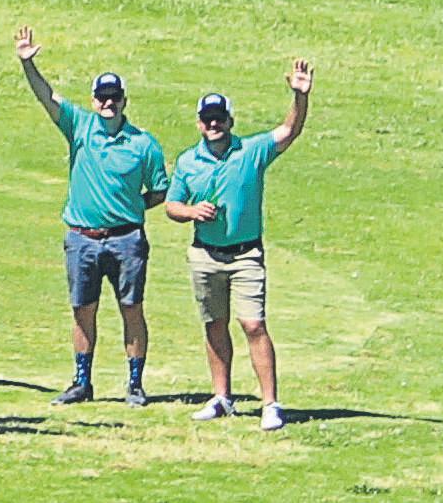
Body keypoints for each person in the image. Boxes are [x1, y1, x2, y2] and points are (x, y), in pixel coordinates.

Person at [16, 27, 170, 407]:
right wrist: (27, 64)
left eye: (114, 97)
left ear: (124, 100)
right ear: (94, 100)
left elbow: (160, 190)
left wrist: (131, 208)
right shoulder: (81, 126)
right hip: (82, 237)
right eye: (102, 97)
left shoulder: (143, 144)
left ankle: (135, 384)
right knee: (82, 310)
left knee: (131, 309)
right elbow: (48, 97)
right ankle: (82, 382)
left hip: (126, 239)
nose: (108, 103)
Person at [165, 61, 312, 431]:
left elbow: (290, 130)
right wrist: (191, 212)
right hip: (205, 254)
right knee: (214, 325)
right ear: (199, 123)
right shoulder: (188, 161)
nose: (213, 124)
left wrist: (300, 96)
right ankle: (221, 397)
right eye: (207, 119)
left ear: (230, 121)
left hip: (246, 254)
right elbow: (171, 205)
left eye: (219, 118)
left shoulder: (251, 150)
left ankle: (270, 404)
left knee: (253, 324)